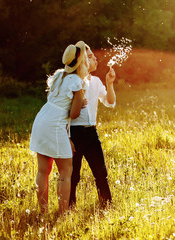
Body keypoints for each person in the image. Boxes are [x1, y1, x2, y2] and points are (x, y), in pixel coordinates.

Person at [29, 41, 88, 214]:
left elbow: (51, 100)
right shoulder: (77, 82)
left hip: (41, 119)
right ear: (81, 62)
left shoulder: (58, 76)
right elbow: (74, 114)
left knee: (43, 170)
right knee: (66, 170)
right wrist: (81, 103)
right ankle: (63, 214)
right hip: (54, 124)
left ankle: (43, 211)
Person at [69, 44, 116, 208]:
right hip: (73, 133)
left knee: (101, 172)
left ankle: (107, 205)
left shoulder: (96, 81)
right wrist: (67, 137)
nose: (95, 58)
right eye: (89, 57)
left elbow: (109, 102)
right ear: (81, 62)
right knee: (73, 175)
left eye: (94, 56)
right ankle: (69, 208)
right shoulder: (73, 81)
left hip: (91, 133)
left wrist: (109, 83)